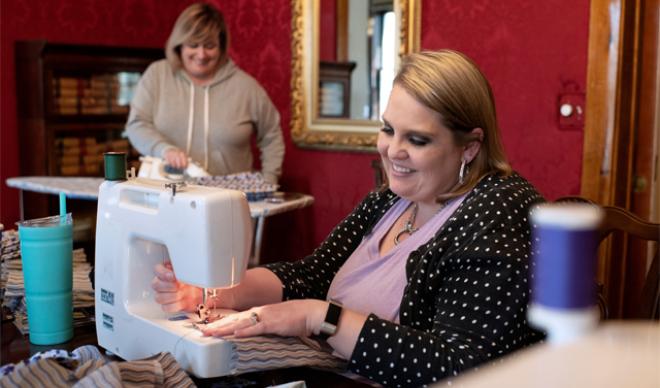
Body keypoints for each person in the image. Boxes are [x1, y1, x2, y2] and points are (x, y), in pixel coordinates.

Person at [152, 50, 545, 386]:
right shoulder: (391, 200)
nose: (393, 151)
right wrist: (214, 292)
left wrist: (318, 317)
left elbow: (456, 367)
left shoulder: (497, 212)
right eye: (388, 129)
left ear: (470, 146)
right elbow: (314, 274)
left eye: (417, 139)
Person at [126, 3, 284, 184]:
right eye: (193, 45)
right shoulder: (157, 75)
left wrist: (269, 181)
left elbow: (272, 135)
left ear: (222, 46)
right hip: (166, 194)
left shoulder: (247, 87)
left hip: (227, 199)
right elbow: (136, 124)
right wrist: (164, 150)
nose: (201, 55)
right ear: (179, 45)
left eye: (210, 46)